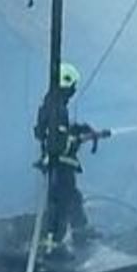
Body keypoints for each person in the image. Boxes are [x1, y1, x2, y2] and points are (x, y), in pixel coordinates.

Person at [33, 62, 109, 254]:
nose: (73, 93)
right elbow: (58, 143)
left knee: (73, 198)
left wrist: (83, 129)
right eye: (72, 88)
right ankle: (53, 245)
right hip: (59, 165)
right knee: (60, 204)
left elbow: (60, 131)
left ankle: (80, 232)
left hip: (60, 165)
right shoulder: (56, 109)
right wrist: (81, 139)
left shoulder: (52, 105)